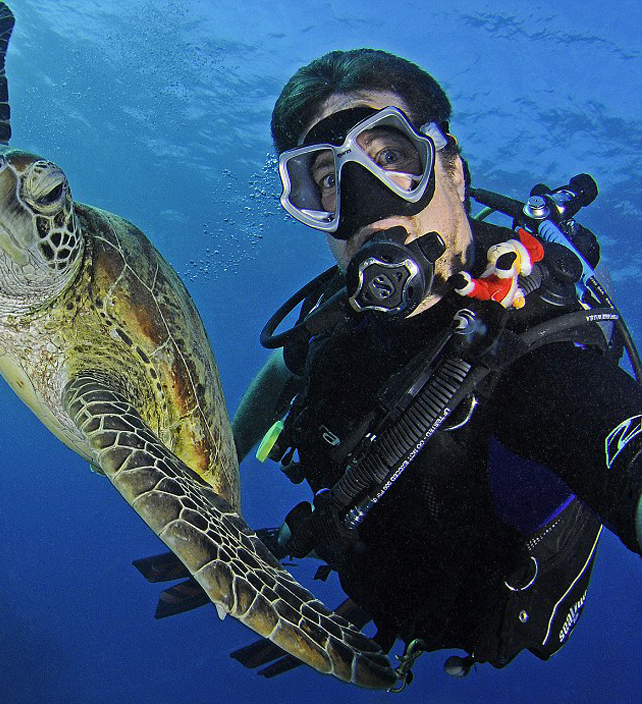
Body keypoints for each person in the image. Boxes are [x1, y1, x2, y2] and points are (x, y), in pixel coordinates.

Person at [231, 49, 642, 682]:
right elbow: (291, 365)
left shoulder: (544, 368)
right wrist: (213, 484)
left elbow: (608, 430)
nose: (366, 203)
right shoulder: (339, 321)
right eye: (329, 181)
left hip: (471, 609)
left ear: (451, 168)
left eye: (391, 157)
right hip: (371, 567)